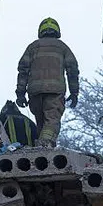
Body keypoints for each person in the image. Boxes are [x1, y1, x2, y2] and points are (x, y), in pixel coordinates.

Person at [15, 17, 79, 147]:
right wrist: (74, 92)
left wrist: (20, 94)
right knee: (51, 121)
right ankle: (44, 146)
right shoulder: (62, 48)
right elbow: (72, 71)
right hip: (55, 91)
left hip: (34, 93)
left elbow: (22, 71)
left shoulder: (32, 47)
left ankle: (40, 149)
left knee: (41, 124)